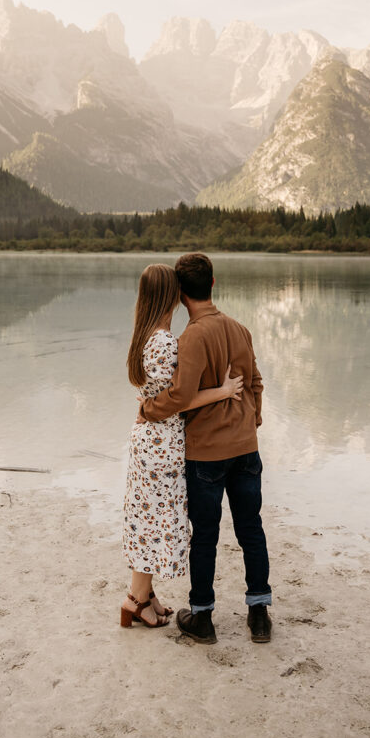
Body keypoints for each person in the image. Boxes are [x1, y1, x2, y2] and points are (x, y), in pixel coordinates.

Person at [138, 252, 271, 645]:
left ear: (180, 294)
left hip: (206, 455)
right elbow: (257, 383)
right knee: (251, 530)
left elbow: (180, 395)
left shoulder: (191, 337)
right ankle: (259, 614)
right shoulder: (240, 329)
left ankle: (202, 617)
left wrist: (148, 408)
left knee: (205, 538)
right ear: (213, 284)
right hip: (246, 449)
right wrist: (252, 420)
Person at [121, 263, 244, 629]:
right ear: (171, 295)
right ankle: (134, 601)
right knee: (154, 521)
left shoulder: (145, 335)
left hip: (150, 438)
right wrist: (222, 391)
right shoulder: (164, 342)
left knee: (149, 519)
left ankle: (145, 596)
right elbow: (179, 398)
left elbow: (159, 395)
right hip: (162, 442)